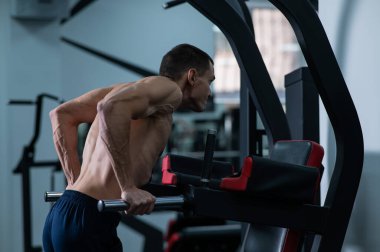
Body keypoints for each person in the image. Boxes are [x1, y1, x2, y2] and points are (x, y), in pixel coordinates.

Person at [42, 44, 215, 252]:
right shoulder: (171, 90)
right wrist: (128, 188)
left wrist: (74, 181)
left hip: (64, 212)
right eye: (210, 81)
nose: (210, 91)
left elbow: (62, 115)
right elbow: (110, 108)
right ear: (192, 76)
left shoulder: (123, 91)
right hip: (89, 221)